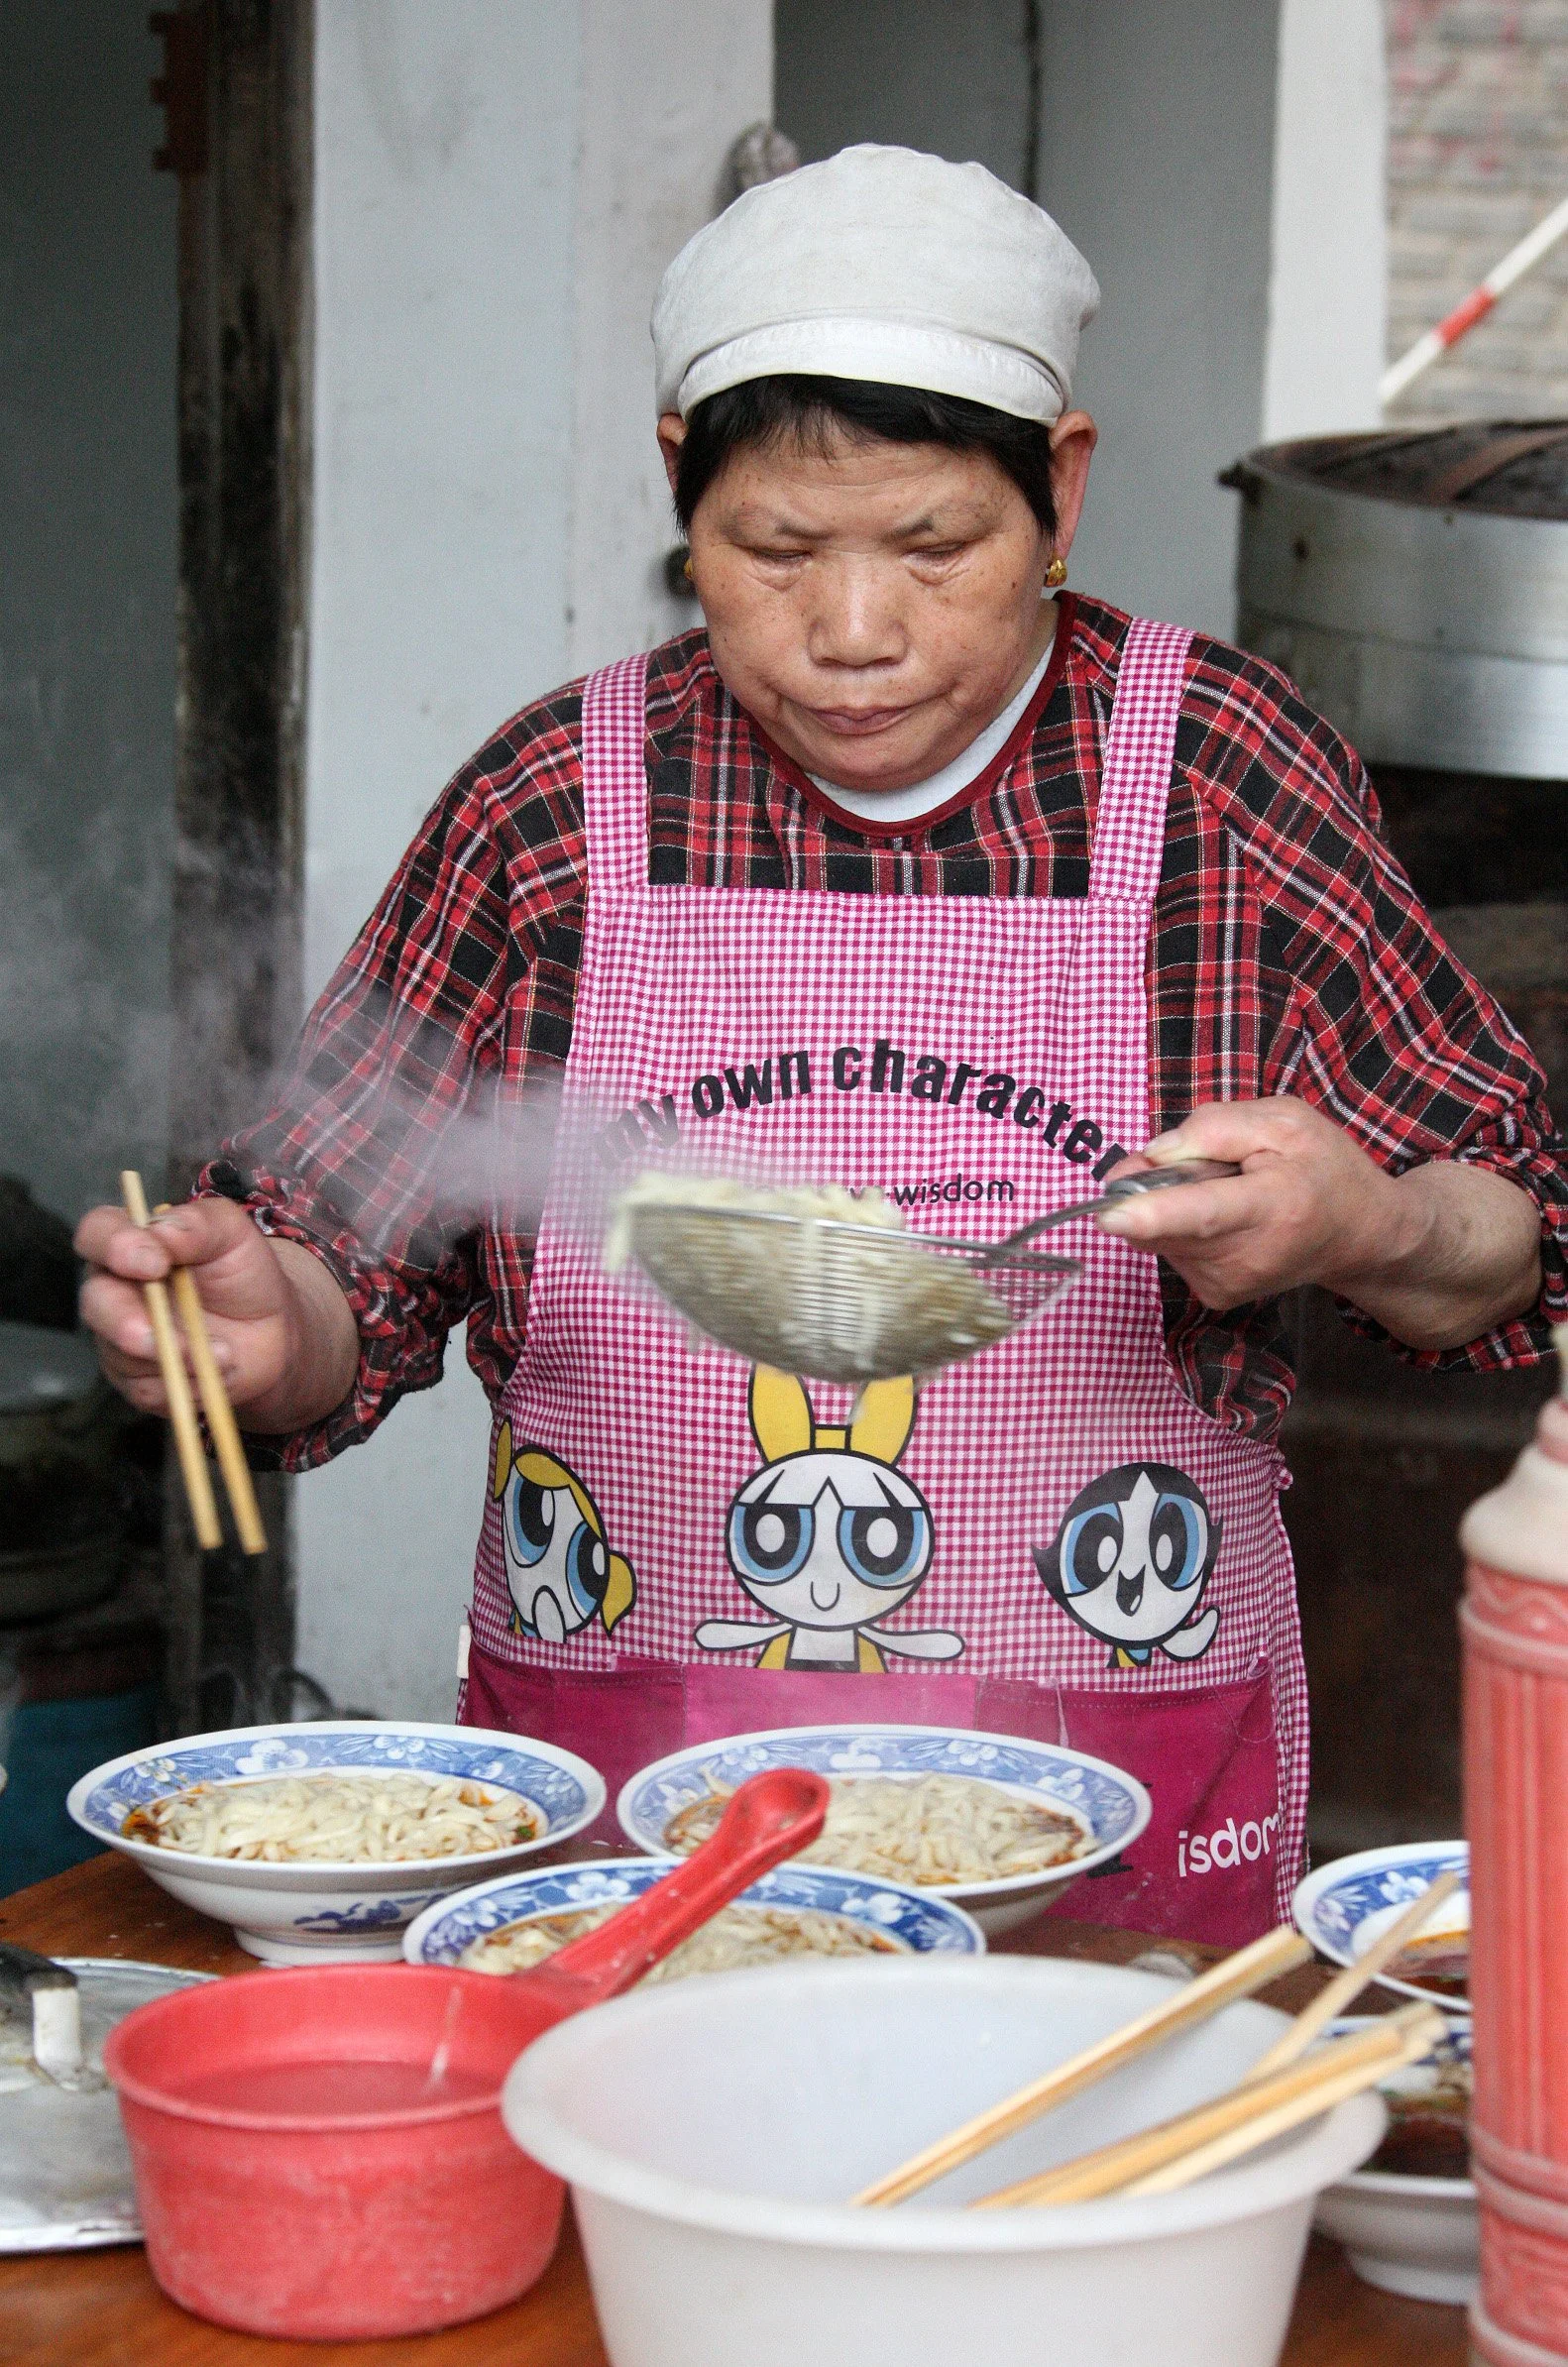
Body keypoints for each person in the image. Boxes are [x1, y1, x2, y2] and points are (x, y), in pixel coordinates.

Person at [77, 148, 1568, 1944]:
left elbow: (1512, 1248)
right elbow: (337, 1288)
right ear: (677, 490)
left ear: (1062, 490)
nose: (853, 636)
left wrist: (1376, 1228)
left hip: (1100, 1801)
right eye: (773, 552)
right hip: (624, 1813)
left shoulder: (1216, 777)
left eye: (934, 548)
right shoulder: (557, 801)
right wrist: (259, 1330)